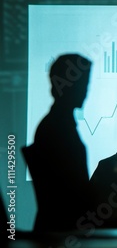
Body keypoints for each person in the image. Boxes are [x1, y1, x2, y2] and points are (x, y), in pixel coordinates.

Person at [23, 54, 92, 231]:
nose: (85, 92)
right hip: (62, 230)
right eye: (82, 85)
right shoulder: (57, 128)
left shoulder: (56, 124)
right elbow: (70, 193)